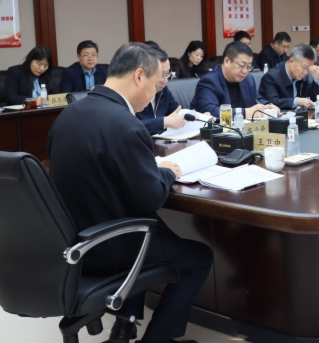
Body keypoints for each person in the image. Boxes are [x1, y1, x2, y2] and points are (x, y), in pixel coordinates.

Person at [47, 42, 212, 343]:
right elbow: (151, 197)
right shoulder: (126, 125)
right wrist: (166, 172)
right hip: (115, 244)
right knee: (199, 258)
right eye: (155, 84)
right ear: (138, 76)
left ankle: (126, 324)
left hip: (73, 242)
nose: (154, 96)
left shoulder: (68, 115)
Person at [191, 41, 279, 118]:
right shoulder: (209, 82)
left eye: (248, 67)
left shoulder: (248, 79)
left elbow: (257, 99)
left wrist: (268, 106)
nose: (245, 71)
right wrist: (246, 113)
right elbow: (212, 111)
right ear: (227, 61)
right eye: (242, 66)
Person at [136, 43, 192, 136]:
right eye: (161, 75)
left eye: (167, 74)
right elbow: (130, 128)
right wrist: (163, 122)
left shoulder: (163, 89)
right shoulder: (132, 95)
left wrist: (200, 117)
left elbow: (175, 112)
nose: (165, 80)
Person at [259, 43, 319, 109]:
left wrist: (317, 79)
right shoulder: (271, 77)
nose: (306, 72)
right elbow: (271, 102)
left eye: (309, 69)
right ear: (291, 62)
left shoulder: (303, 76)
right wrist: (297, 101)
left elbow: (313, 100)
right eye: (304, 67)